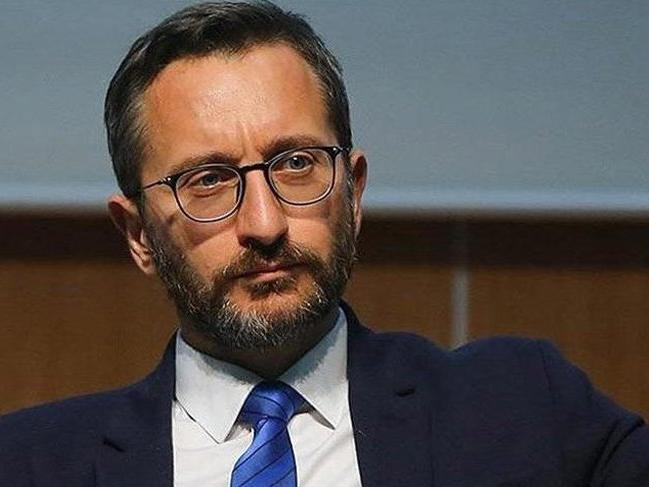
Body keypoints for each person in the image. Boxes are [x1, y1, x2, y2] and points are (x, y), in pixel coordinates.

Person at [1, 2, 648, 485]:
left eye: (296, 164)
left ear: (353, 192)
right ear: (139, 234)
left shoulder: (522, 410)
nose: (264, 224)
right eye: (208, 180)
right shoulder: (28, 464)